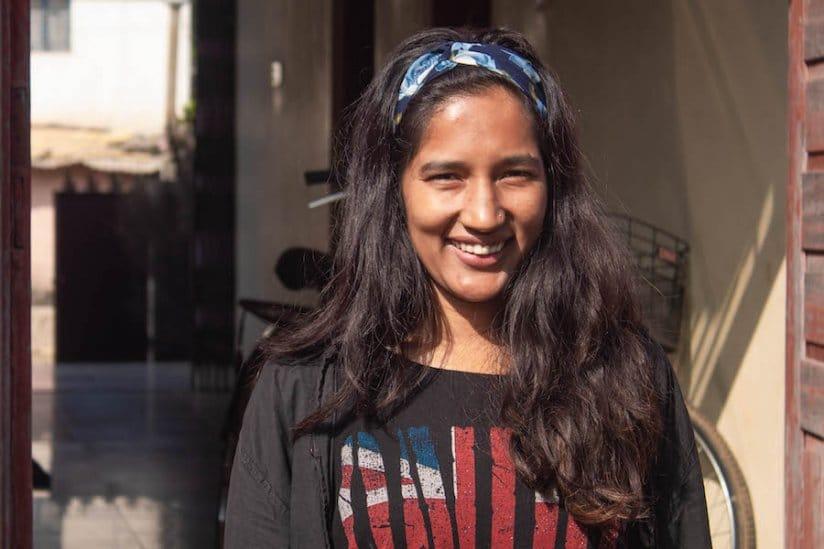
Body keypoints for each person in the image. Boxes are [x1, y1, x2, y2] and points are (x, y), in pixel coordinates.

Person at [223, 26, 711, 548]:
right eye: (447, 176)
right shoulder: (304, 393)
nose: (483, 214)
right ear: (396, 190)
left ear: (552, 185)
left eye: (515, 174)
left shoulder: (626, 379)